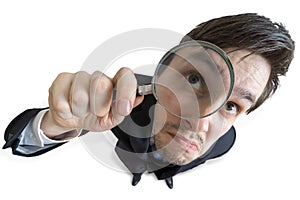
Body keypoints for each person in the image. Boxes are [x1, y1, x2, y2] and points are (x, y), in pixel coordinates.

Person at [3, 13, 295, 189]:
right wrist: (56, 122)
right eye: (195, 80)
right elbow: (19, 142)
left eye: (232, 106)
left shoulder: (223, 141)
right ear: (165, 69)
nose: (201, 120)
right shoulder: (122, 100)